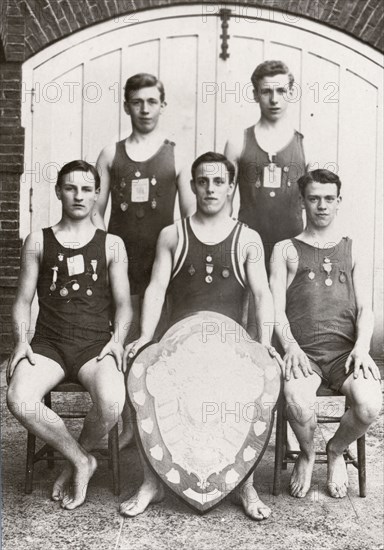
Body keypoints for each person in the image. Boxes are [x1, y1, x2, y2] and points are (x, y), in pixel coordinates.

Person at [120, 152, 277, 520]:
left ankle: (245, 484)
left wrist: (264, 343)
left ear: (231, 187)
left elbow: (263, 294)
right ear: (192, 186)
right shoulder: (173, 234)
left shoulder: (247, 238)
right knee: (142, 371)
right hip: (181, 345)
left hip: (230, 345)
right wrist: (145, 335)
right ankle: (151, 482)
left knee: (258, 378)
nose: (210, 188)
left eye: (218, 181)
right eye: (203, 182)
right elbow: (157, 288)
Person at [7, 160, 132, 510]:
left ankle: (75, 458)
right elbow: (22, 301)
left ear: (96, 195)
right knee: (19, 398)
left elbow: (124, 305)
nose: (78, 195)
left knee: (111, 402)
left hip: (95, 345)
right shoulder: (38, 240)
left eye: (86, 189)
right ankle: (80, 460)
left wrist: (117, 340)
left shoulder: (112, 245)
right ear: (59, 191)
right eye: (70, 188)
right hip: (49, 345)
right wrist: (20, 341)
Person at [94, 73, 195, 446]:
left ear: (163, 105)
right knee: (123, 338)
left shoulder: (176, 152)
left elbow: (188, 215)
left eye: (152, 101)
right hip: (121, 264)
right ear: (126, 106)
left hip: (161, 264)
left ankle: (160, 421)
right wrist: (105, 254)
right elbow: (95, 212)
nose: (145, 109)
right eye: (137, 101)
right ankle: (126, 423)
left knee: (157, 343)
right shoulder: (110, 153)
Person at [269, 169, 382, 499]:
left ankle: (334, 451)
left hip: (346, 355)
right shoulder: (285, 249)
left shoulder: (352, 247)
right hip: (304, 355)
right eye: (314, 198)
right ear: (302, 201)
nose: (321, 205)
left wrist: (361, 348)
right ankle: (306, 454)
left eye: (328, 199)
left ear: (339, 202)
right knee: (297, 403)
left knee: (370, 405)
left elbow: (365, 310)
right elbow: (274, 310)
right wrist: (290, 347)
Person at [224, 60, 307, 266]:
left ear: (291, 93)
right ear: (254, 94)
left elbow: (317, 204)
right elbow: (223, 204)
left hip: (293, 250)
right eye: (266, 92)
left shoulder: (305, 143)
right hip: (247, 249)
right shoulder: (237, 141)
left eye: (281, 91)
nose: (274, 99)